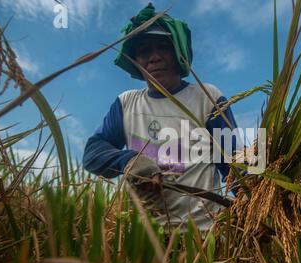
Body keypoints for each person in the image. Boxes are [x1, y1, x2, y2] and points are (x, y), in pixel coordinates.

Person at [82, 3, 240, 231]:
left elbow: (234, 164)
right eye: (144, 50)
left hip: (204, 238)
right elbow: (93, 152)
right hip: (146, 242)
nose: (154, 57)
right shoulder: (126, 104)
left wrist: (258, 203)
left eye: (163, 47)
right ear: (136, 60)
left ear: (178, 53)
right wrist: (130, 161)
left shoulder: (206, 97)